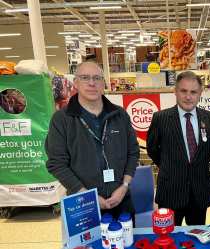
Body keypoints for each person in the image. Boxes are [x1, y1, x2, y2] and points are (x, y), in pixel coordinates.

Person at [45, 62, 140, 223]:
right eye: (85, 78)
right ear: (75, 82)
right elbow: (56, 163)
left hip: (121, 200)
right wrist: (87, 196)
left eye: (97, 78)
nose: (91, 83)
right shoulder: (61, 119)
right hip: (83, 204)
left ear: (104, 83)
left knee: (127, 245)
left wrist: (124, 187)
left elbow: (133, 151)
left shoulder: (119, 114)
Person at [147, 71, 210, 226]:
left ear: (200, 93)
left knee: (198, 237)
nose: (188, 97)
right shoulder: (161, 118)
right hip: (171, 190)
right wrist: (170, 166)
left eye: (193, 92)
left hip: (199, 192)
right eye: (184, 91)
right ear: (175, 92)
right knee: (169, 239)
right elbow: (152, 149)